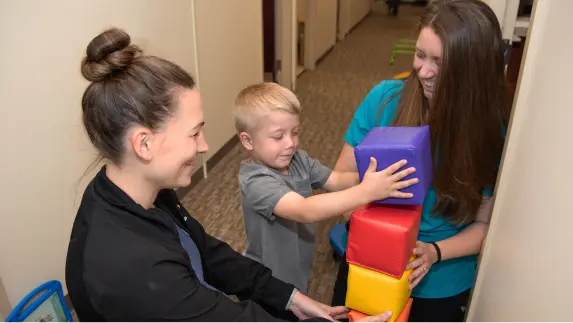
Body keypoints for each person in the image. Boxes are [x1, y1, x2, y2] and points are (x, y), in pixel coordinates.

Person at [65, 27, 394, 323]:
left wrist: (290, 297)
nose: (205, 146)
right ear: (144, 143)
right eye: (194, 134)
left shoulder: (144, 189)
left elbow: (206, 251)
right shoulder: (132, 269)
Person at [330, 1, 510, 322]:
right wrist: (358, 197)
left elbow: (486, 226)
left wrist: (434, 252)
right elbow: (340, 178)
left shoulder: (489, 133)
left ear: (470, 70)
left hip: (441, 280)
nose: (423, 71)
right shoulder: (384, 100)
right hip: (369, 264)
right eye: (420, 54)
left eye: (438, 62)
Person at [233, 83, 419, 298]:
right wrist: (367, 191)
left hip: (296, 271)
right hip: (266, 282)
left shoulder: (298, 160)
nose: (290, 143)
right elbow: (304, 210)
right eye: (278, 136)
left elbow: (337, 179)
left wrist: (372, 177)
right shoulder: (255, 180)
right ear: (248, 140)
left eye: (295, 132)